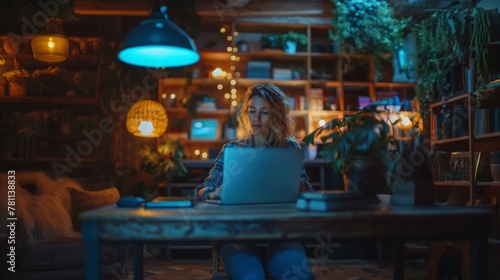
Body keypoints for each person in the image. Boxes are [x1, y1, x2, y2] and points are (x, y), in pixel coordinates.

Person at [193, 84, 315, 280]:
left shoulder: (289, 148)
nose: (256, 118)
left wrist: (288, 177)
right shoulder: (232, 149)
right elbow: (201, 189)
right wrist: (211, 193)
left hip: (281, 236)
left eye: (264, 112)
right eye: (252, 111)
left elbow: (308, 191)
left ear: (276, 116)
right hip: (238, 236)